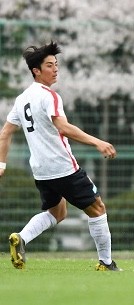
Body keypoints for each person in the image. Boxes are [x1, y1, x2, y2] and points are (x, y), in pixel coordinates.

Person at [0, 41, 121, 271]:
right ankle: (106, 263)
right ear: (36, 71)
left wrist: (1, 163)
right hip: (63, 167)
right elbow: (63, 127)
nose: (55, 69)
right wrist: (98, 142)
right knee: (97, 208)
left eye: (56, 64)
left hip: (40, 171)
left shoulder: (22, 98)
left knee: (57, 212)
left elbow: (5, 132)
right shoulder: (49, 97)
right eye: (49, 65)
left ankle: (21, 238)